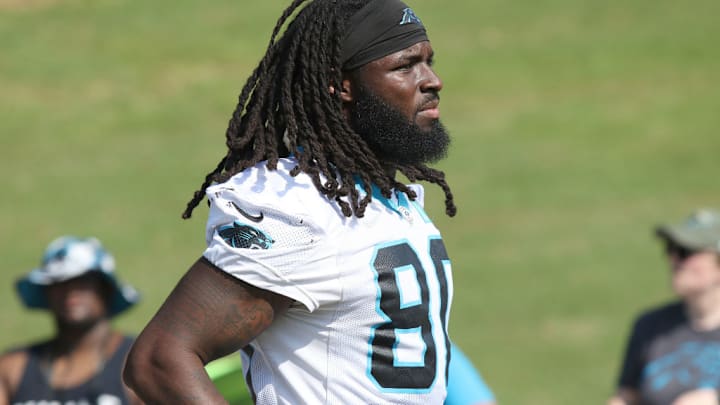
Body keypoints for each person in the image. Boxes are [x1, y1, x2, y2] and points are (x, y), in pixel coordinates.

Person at [123, 0, 462, 403]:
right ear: (341, 84)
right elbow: (160, 359)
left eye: (428, 62)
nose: (432, 80)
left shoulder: (391, 201)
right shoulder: (299, 206)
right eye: (405, 66)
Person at [0, 236, 142, 405]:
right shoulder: (13, 367)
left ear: (107, 290)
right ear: (46, 292)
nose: (71, 290)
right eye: (59, 281)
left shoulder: (137, 363)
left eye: (84, 280)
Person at [608, 209, 720, 405]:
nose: (674, 260)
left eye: (685, 252)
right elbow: (627, 396)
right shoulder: (651, 325)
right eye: (671, 249)